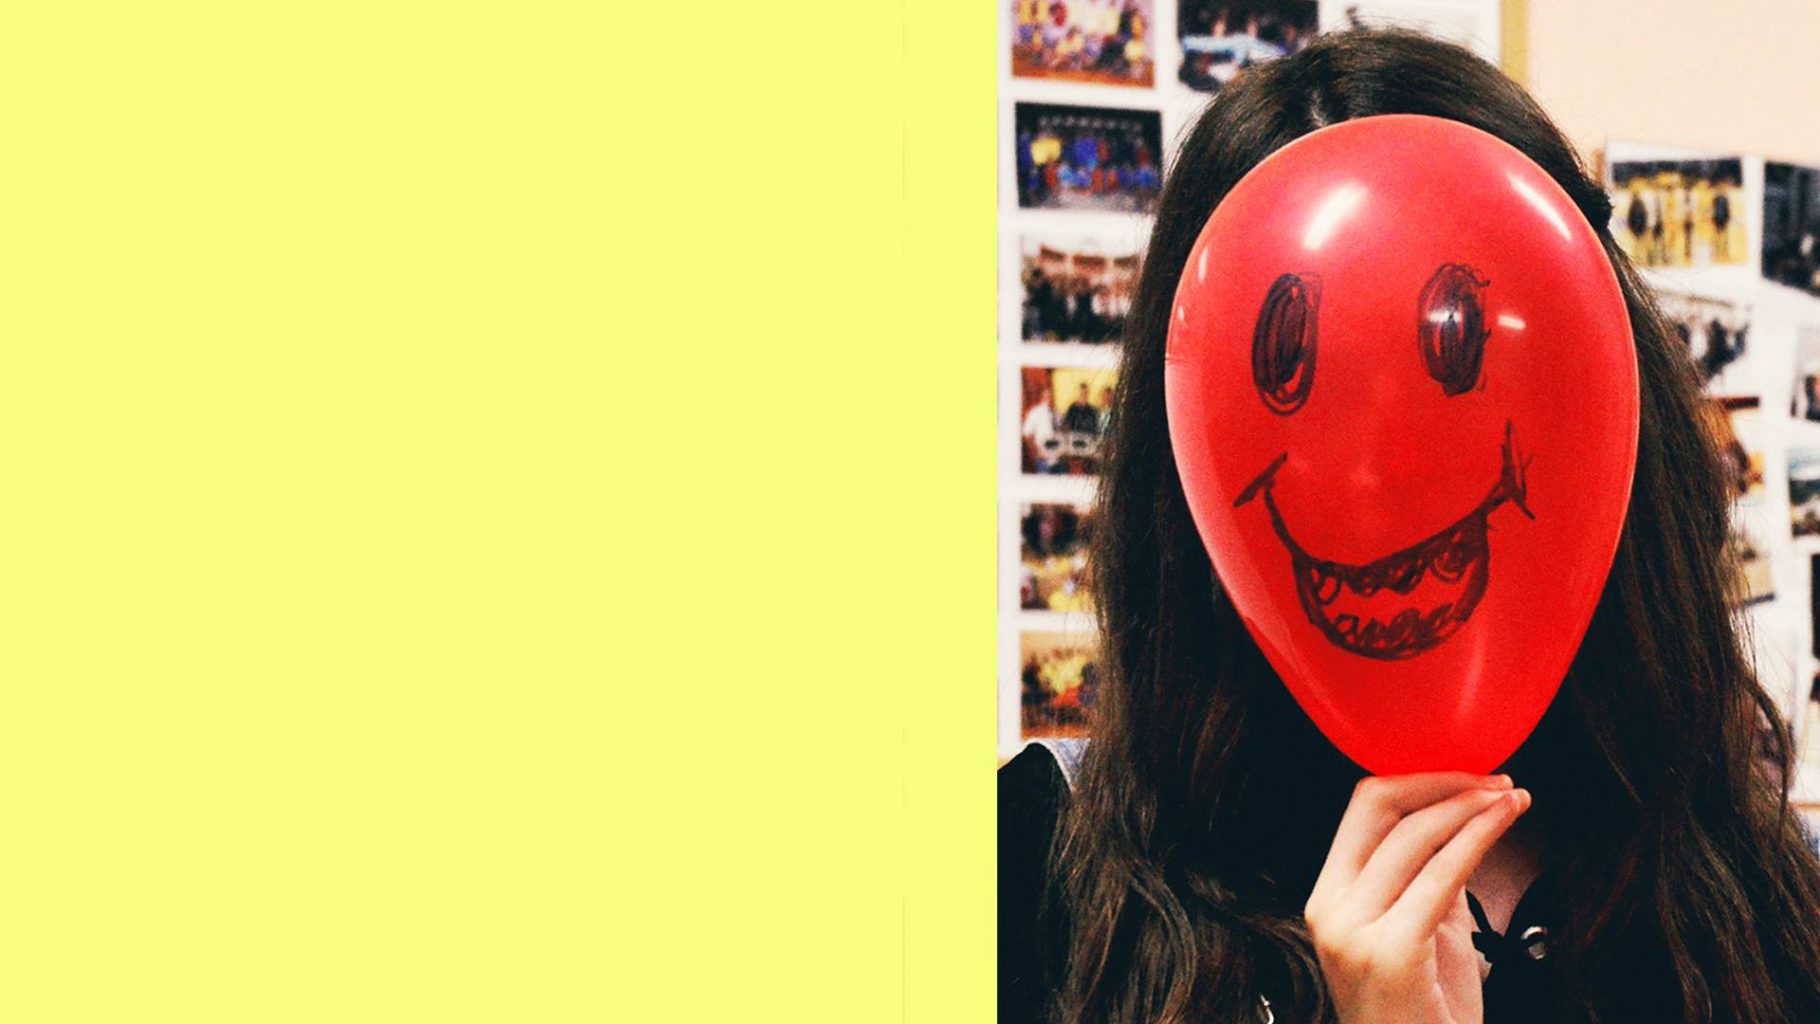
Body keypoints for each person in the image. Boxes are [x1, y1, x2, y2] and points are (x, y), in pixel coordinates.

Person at [999, 29, 1820, 1024]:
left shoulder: (1765, 907)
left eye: (1451, 346)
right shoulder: (1031, 878)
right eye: (1293, 370)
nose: (1373, 475)